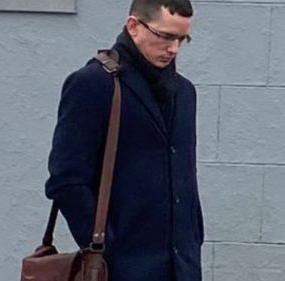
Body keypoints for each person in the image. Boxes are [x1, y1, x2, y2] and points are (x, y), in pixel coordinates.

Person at [44, 0, 203, 280]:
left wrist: (194, 236)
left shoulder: (184, 92)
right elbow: (66, 180)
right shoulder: (93, 84)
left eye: (182, 38)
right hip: (122, 268)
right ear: (134, 26)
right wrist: (106, 248)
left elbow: (183, 174)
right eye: (165, 36)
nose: (174, 48)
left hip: (183, 267)